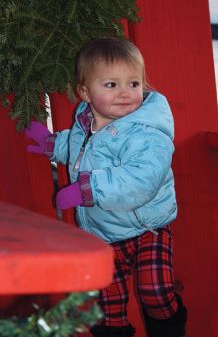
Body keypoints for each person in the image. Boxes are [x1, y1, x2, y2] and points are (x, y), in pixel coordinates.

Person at [25, 37, 187, 337]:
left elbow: (141, 180)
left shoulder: (147, 133)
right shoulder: (85, 123)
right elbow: (80, 149)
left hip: (146, 229)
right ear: (84, 92)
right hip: (102, 235)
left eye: (134, 83)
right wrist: (52, 144)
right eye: (111, 85)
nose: (125, 93)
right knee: (108, 310)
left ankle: (171, 329)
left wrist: (87, 190)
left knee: (155, 293)